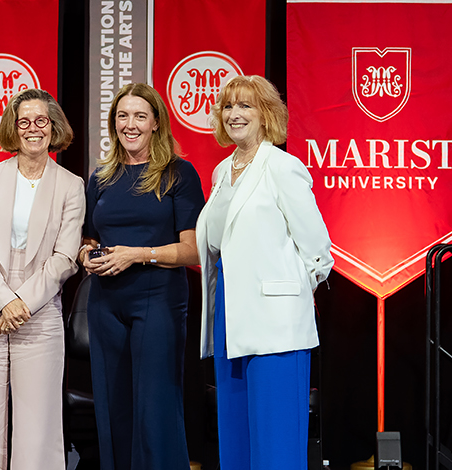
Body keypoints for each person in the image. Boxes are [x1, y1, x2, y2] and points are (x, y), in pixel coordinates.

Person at [195, 75, 333, 470]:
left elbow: (318, 250)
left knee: (276, 445)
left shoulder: (283, 167)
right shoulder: (222, 172)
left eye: (245, 106)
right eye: (228, 106)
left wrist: (289, 294)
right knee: (236, 441)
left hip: (275, 323)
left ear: (266, 114)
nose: (234, 114)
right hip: (229, 317)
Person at [0, 89, 84, 470]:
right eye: (24, 122)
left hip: (40, 308)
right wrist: (5, 301)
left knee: (38, 424)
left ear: (53, 127)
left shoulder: (71, 185)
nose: (33, 129)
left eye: (41, 121)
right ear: (13, 127)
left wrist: (22, 302)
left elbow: (65, 257)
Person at [79, 82, 205, 470]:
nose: (129, 124)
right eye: (122, 116)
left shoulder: (179, 173)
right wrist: (86, 255)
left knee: (155, 408)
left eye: (139, 116)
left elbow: (192, 250)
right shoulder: (101, 177)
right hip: (105, 303)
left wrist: (137, 255)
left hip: (158, 300)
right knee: (113, 406)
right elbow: (89, 237)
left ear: (155, 123)